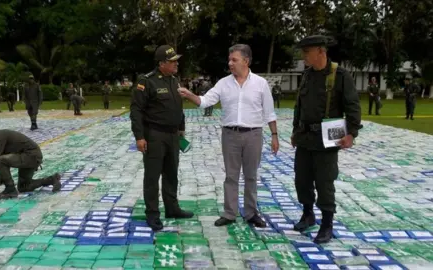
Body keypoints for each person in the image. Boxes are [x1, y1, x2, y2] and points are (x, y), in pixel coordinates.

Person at [179, 44, 279, 228]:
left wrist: (274, 135)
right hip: (230, 135)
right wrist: (189, 95)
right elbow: (205, 101)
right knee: (231, 176)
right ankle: (229, 213)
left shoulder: (260, 84)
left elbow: (269, 112)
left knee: (251, 176)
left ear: (246, 61)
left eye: (234, 60)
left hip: (253, 135)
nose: (230, 63)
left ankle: (251, 213)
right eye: (229, 59)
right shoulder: (223, 83)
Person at [290, 35, 362, 244]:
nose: (304, 56)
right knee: (302, 180)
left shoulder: (340, 75)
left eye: (307, 52)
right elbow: (299, 107)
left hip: (327, 140)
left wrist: (351, 133)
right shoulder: (307, 75)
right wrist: (295, 131)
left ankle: (327, 223)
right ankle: (308, 214)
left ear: (321, 51)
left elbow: (353, 107)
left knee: (324, 182)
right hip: (305, 138)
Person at [130, 45, 193, 231]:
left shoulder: (174, 81)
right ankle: (152, 214)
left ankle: (172, 208)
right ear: (161, 63)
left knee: (171, 173)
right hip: (154, 135)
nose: (176, 64)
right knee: (152, 176)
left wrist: (181, 128)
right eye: (172, 61)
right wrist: (139, 137)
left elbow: (177, 107)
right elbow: (136, 110)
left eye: (176, 60)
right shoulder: (147, 82)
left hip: (173, 135)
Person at [0, 127, 61, 199]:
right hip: (32, 157)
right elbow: (3, 167)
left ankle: (10, 190)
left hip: (30, 156)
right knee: (24, 187)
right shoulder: (1, 141)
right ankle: (52, 179)